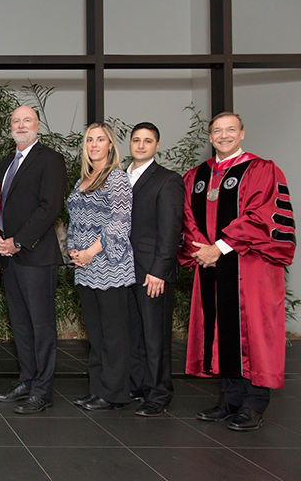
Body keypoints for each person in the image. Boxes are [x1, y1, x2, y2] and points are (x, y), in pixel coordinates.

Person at [180, 112, 295, 431]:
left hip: (251, 266)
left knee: (254, 330)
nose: (224, 135)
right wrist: (201, 248)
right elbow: (187, 217)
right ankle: (230, 398)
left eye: (230, 130)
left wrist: (221, 246)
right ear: (210, 136)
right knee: (220, 327)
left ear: (242, 133)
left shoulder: (261, 170)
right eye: (217, 131)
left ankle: (255, 403)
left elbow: (263, 215)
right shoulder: (197, 175)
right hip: (212, 266)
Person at [0, 106, 67, 414]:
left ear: (38, 126)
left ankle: (42, 390)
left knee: (41, 325)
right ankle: (26, 379)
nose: (21, 125)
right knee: (20, 324)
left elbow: (49, 208)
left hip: (35, 256)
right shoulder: (5, 163)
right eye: (15, 121)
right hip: (9, 259)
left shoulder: (51, 160)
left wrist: (18, 241)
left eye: (27, 121)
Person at [67, 122, 135, 411]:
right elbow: (74, 221)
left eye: (100, 140)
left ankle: (115, 393)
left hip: (110, 267)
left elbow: (119, 223)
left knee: (113, 334)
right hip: (84, 268)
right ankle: (98, 389)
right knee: (95, 334)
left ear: (110, 145)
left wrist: (91, 252)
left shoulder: (116, 178)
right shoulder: (83, 180)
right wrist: (73, 250)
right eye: (90, 140)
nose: (94, 145)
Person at [125, 122, 184, 417]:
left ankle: (159, 393)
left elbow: (171, 230)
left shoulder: (167, 180)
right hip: (125, 269)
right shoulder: (121, 177)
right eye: (136, 140)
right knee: (134, 333)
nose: (141, 145)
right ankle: (138, 385)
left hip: (152, 271)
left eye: (147, 141)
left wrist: (160, 270)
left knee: (154, 335)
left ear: (157, 146)